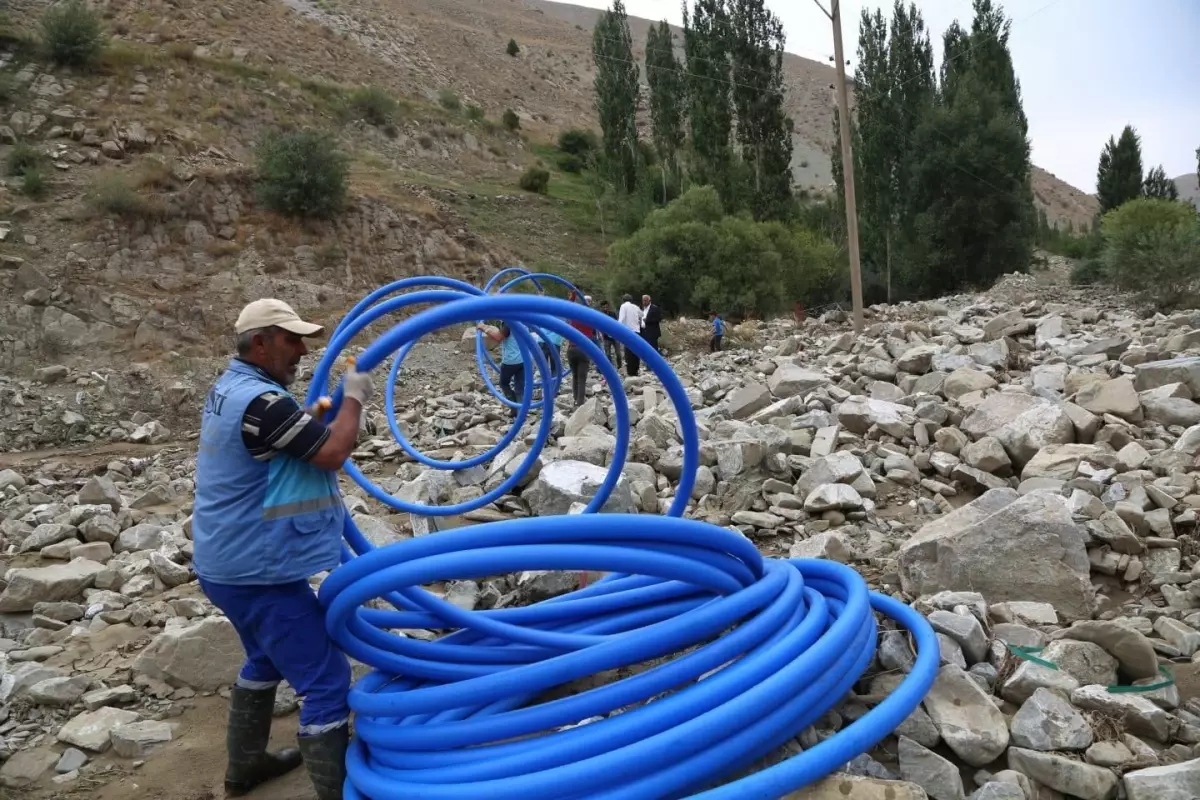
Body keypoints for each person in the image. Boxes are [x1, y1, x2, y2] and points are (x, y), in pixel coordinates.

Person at [192, 299, 376, 800]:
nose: (302, 350)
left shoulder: (235, 389)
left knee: (265, 658)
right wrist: (354, 398)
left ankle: (245, 770)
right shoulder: (262, 404)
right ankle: (340, 792)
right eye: (291, 340)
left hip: (225, 563)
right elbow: (332, 452)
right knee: (326, 680)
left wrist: (319, 413)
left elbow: (280, 439)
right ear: (259, 343)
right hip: (256, 572)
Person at [478, 321, 523, 413]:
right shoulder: (522, 321)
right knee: (519, 386)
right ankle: (521, 410)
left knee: (504, 384)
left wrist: (484, 327)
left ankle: (514, 408)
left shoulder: (509, 324)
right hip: (523, 360)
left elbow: (498, 337)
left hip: (510, 361)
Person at [566, 290, 594, 408]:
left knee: (575, 376)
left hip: (571, 349)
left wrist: (573, 296)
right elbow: (593, 333)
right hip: (583, 349)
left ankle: (575, 399)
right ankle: (580, 402)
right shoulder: (590, 317)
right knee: (581, 378)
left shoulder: (574, 316)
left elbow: (568, 307)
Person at [618, 293, 643, 376]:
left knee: (628, 352)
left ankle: (630, 372)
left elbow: (621, 319)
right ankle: (636, 370)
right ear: (631, 300)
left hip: (628, 331)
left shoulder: (623, 306)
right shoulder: (635, 307)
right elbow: (642, 315)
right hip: (636, 331)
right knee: (636, 351)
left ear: (623, 300)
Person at [598, 300, 623, 370]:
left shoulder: (613, 313)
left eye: (606, 307)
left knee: (618, 353)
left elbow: (616, 323)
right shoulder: (600, 315)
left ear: (608, 306)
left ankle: (620, 366)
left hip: (615, 336)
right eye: (604, 307)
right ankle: (610, 367)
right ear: (602, 308)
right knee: (608, 354)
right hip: (606, 337)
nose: (605, 308)